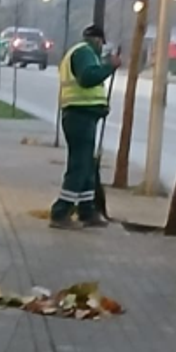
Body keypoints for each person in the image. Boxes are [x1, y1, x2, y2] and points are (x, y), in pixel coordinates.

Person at [50, 24, 120, 230]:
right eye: (102, 44)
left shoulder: (81, 52)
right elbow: (88, 78)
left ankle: (87, 210)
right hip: (79, 117)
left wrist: (100, 108)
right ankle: (61, 212)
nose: (102, 49)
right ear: (98, 40)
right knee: (80, 166)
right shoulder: (84, 53)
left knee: (88, 166)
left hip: (82, 115)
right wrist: (109, 67)